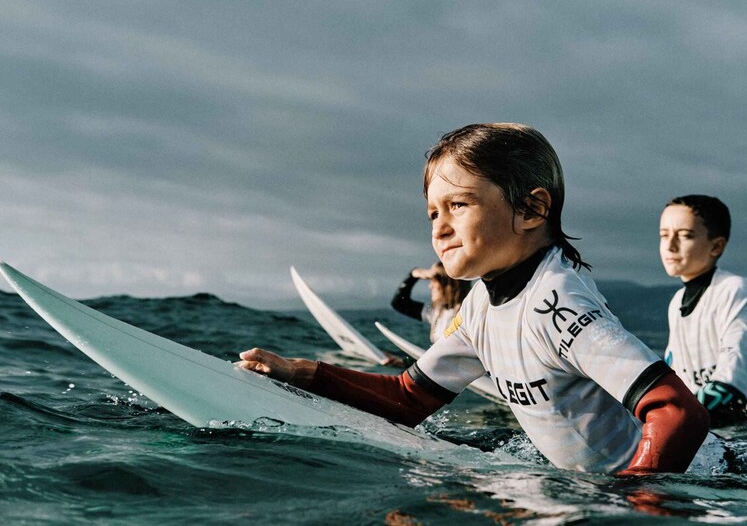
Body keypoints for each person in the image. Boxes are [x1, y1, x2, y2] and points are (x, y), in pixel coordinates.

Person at [238, 123, 709, 474]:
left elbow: (677, 412)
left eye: (458, 205)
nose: (439, 228)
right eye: (432, 214)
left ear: (531, 209)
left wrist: (638, 502)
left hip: (705, 480)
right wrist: (303, 373)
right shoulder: (482, 305)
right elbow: (408, 397)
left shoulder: (558, 303)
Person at [659, 195, 747, 426]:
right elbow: (677, 379)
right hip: (719, 423)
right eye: (664, 235)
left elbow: (729, 387)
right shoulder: (676, 303)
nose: (670, 245)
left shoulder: (736, 290)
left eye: (685, 235)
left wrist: (672, 421)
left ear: (716, 246)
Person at [391, 261, 472, 345]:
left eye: (434, 281)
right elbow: (399, 303)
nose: (430, 286)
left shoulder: (468, 313)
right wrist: (413, 274)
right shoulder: (436, 312)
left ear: (449, 283)